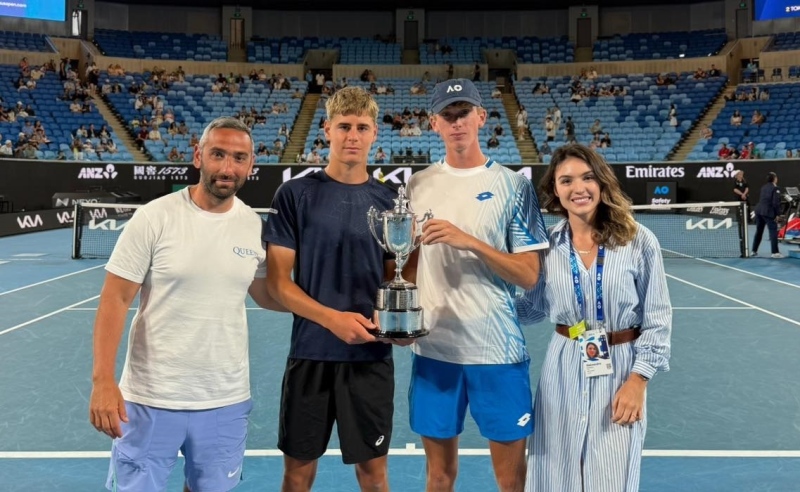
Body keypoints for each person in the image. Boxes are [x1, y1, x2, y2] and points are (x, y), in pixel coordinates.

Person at [88, 117, 284, 492]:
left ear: (251, 165)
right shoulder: (155, 217)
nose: (228, 168)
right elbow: (115, 298)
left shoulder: (253, 226)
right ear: (198, 156)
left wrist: (332, 306)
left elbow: (266, 295)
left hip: (224, 400)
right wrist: (102, 381)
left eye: (239, 158)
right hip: (149, 399)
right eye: (218, 155)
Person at [405, 78, 549, 492]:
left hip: (497, 352)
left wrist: (467, 240)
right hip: (433, 350)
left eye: (463, 113)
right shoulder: (417, 185)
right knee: (439, 477)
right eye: (447, 116)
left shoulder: (513, 186)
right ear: (434, 124)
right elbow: (409, 266)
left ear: (481, 117)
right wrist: (396, 318)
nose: (456, 123)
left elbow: (528, 274)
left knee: (510, 480)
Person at [263, 86, 399, 492]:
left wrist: (392, 319)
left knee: (374, 476)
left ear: (375, 133)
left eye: (361, 127)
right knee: (298, 474)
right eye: (344, 126)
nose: (352, 135)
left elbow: (396, 278)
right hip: (310, 354)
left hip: (371, 356)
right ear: (327, 130)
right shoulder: (294, 195)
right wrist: (332, 320)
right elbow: (277, 283)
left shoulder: (392, 201)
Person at [516, 144, 672, 492]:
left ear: (601, 182)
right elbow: (532, 309)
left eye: (587, 178)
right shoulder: (547, 247)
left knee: (611, 478)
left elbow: (658, 318)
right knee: (553, 476)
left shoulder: (638, 240)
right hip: (563, 366)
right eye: (566, 180)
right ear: (555, 191)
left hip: (620, 371)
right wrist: (487, 288)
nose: (578, 188)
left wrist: (638, 381)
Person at [751, 172, 784, 258]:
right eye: (776, 177)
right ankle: (775, 252)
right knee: (773, 231)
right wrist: (778, 214)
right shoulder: (775, 188)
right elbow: (775, 203)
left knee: (759, 231)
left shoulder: (764, 187)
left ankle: (753, 251)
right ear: (774, 179)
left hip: (759, 211)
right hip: (768, 212)